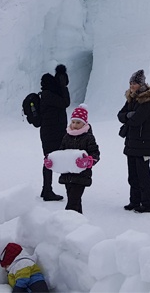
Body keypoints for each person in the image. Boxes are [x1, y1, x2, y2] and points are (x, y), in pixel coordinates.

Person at [117, 69, 150, 213]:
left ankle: (147, 204)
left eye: (134, 83)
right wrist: (129, 115)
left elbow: (137, 120)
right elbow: (120, 115)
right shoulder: (131, 99)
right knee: (133, 175)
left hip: (143, 143)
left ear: (141, 84)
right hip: (131, 142)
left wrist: (128, 117)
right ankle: (134, 201)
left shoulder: (148, 101)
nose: (131, 85)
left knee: (143, 175)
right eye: (130, 82)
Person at [54, 104, 99, 213]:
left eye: (78, 122)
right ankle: (79, 223)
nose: (74, 125)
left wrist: (88, 161)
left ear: (84, 123)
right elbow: (61, 153)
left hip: (81, 176)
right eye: (73, 122)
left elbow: (95, 153)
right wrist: (52, 160)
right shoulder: (66, 136)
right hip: (67, 175)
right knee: (74, 201)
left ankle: (66, 221)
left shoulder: (88, 137)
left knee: (72, 203)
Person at [39, 64, 70, 201]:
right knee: (50, 160)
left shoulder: (46, 95)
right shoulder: (49, 95)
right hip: (53, 132)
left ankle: (46, 189)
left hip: (49, 131)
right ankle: (47, 191)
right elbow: (65, 102)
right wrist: (63, 87)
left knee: (49, 159)